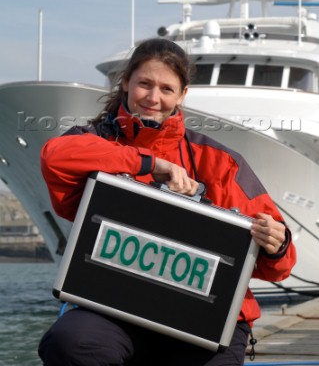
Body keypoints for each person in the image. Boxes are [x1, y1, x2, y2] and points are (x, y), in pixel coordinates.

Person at [38, 38, 296, 366]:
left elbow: (281, 266)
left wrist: (278, 243)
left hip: (204, 319)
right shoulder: (94, 141)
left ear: (182, 95)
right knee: (72, 342)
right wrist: (151, 164)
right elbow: (55, 156)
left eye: (166, 88)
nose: (154, 97)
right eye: (144, 84)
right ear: (126, 82)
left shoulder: (219, 162)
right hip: (112, 310)